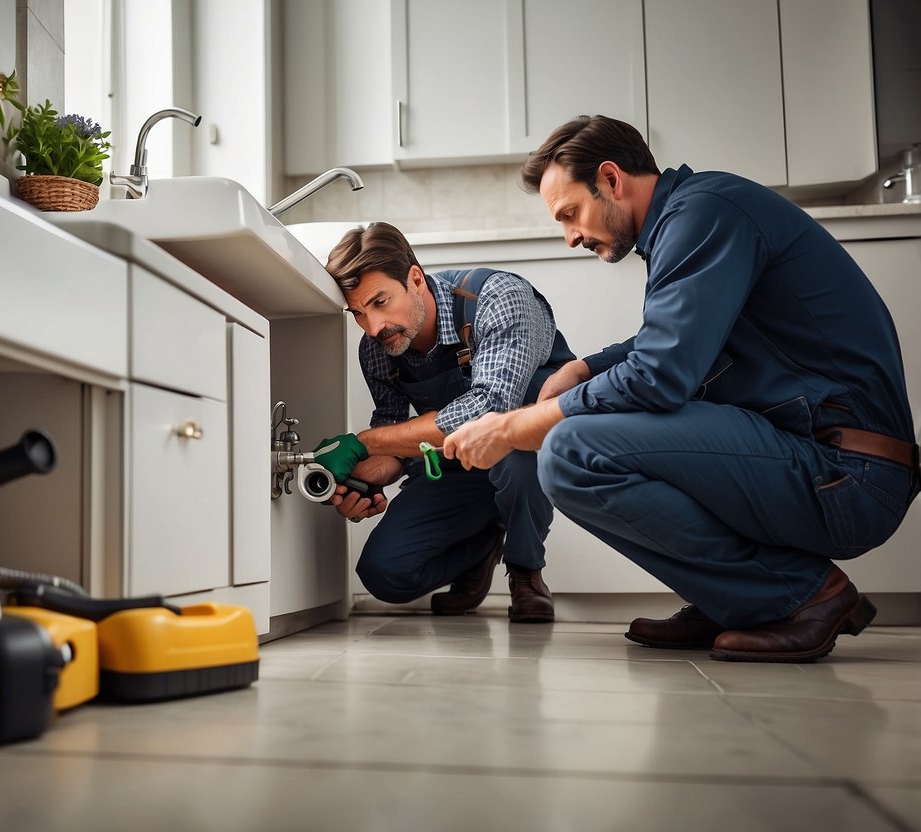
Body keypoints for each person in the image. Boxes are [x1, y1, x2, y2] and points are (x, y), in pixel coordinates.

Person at [444, 115, 919, 661]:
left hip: (849, 475)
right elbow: (677, 343)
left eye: (570, 213)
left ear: (611, 179)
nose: (570, 235)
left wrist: (512, 425)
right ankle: (733, 599)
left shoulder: (703, 213)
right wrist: (585, 367)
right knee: (591, 436)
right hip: (824, 459)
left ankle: (800, 596)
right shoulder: (695, 213)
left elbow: (659, 375)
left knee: (573, 452)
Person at [310, 222, 574, 620]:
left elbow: (492, 407)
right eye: (359, 313)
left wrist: (365, 440)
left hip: (527, 446)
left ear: (415, 278)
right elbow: (393, 437)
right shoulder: (378, 350)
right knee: (383, 572)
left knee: (516, 458)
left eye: (380, 302)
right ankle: (483, 546)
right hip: (454, 463)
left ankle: (525, 571)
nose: (373, 327)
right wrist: (360, 482)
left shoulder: (497, 297)